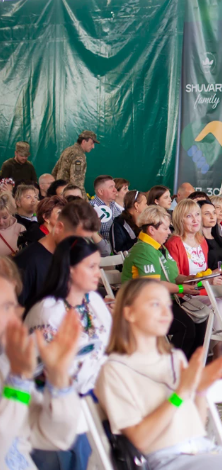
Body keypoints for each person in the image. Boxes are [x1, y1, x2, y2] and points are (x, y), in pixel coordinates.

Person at [95, 279, 222, 470]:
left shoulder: (174, 357)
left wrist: (200, 391)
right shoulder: (114, 370)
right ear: (129, 312)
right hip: (165, 460)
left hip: (203, 451)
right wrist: (181, 393)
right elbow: (139, 441)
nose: (166, 312)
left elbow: (196, 425)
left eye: (167, 305)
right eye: (154, 304)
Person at [24, 236, 110, 469]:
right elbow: (36, 371)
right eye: (91, 267)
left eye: (98, 267)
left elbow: (107, 348)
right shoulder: (47, 311)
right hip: (58, 408)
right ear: (70, 269)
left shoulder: (94, 300)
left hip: (97, 397)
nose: (97, 273)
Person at [0, 256, 83, 470]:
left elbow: (56, 438)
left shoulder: (5, 362)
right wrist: (18, 383)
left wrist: (58, 378)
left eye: (13, 306)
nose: (15, 318)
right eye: (5, 307)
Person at [121, 205, 207, 359]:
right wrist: (182, 289)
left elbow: (171, 275)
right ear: (152, 230)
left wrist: (188, 279)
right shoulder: (144, 250)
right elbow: (152, 285)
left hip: (161, 300)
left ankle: (189, 368)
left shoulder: (158, 247)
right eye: (166, 228)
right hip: (141, 305)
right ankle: (170, 370)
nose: (169, 232)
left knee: (200, 322)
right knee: (186, 327)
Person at [15, 200, 100, 311]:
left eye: (84, 240)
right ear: (59, 228)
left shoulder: (70, 256)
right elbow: (14, 312)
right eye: (76, 238)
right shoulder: (27, 262)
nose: (80, 244)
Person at [111, 190, 147, 254]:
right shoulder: (118, 223)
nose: (147, 206)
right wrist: (138, 240)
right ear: (136, 205)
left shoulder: (147, 222)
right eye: (145, 204)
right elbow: (117, 251)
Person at [90, 175, 122, 246]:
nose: (115, 190)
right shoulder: (91, 209)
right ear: (101, 192)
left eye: (114, 186)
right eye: (111, 187)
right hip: (104, 252)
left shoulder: (114, 204)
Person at [200, 200, 222, 271]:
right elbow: (200, 279)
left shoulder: (220, 239)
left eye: (214, 213)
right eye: (207, 214)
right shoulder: (197, 242)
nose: (212, 217)